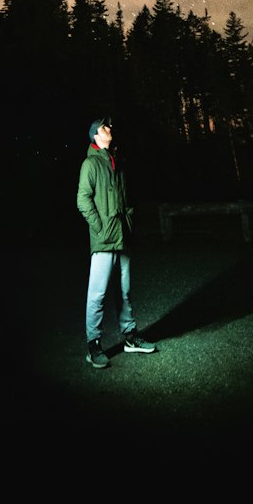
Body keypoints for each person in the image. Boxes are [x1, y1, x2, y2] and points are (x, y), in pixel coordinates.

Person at [76, 117, 156, 368]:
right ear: (95, 137)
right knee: (97, 295)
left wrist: (129, 220)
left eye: (108, 126)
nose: (109, 129)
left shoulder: (116, 161)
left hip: (122, 236)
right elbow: (83, 200)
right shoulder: (90, 164)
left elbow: (126, 198)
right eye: (104, 128)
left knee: (124, 291)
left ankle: (130, 337)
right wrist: (99, 228)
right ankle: (94, 345)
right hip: (103, 239)